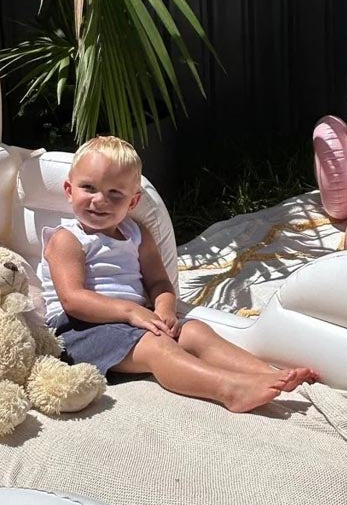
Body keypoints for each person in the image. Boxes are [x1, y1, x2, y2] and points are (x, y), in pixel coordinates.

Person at [39, 136, 318, 412]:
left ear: (132, 202)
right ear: (69, 190)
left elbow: (159, 282)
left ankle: (268, 374)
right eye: (89, 188)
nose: (100, 200)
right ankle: (230, 390)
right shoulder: (67, 240)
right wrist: (131, 312)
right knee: (158, 347)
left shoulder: (136, 234)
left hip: (134, 321)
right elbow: (73, 300)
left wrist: (164, 309)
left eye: (115, 194)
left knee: (195, 331)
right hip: (79, 329)